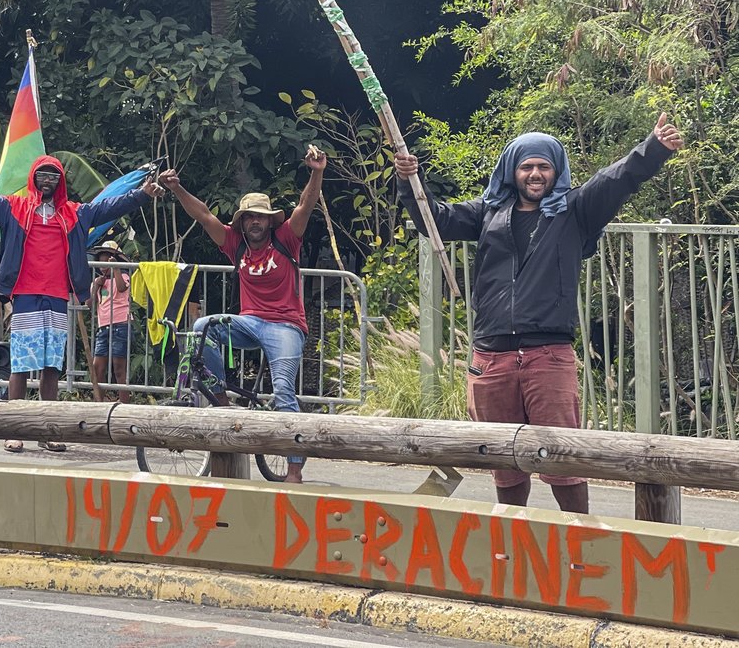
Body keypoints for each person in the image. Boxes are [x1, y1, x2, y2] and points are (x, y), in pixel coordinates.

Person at [394, 115, 683, 513]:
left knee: (562, 459)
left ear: (557, 170)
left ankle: (579, 545)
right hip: (490, 357)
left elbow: (616, 179)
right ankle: (515, 543)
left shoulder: (576, 210)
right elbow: (435, 220)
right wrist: (410, 182)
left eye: (544, 166)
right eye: (526, 166)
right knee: (505, 464)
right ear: (512, 171)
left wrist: (653, 147)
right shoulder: (487, 213)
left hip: (548, 355)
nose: (535, 174)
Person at [0, 156, 159, 453]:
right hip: (26, 295)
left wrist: (142, 194)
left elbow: (109, 207)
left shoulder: (73, 213)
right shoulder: (14, 208)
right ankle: (14, 429)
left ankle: (48, 430)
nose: (47, 180)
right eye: (42, 174)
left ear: (60, 181)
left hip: (56, 296)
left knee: (51, 366)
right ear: (33, 177)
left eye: (53, 176)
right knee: (20, 364)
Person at [160, 145, 328, 484]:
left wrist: (316, 171)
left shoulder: (286, 239)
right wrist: (176, 188)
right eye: (249, 216)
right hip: (249, 322)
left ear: (269, 220)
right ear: (243, 221)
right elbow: (203, 215)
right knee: (202, 326)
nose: (255, 221)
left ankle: (294, 468)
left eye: (260, 216)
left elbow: (305, 207)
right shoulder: (234, 242)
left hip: (285, 325)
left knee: (282, 390)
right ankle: (221, 400)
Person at [89, 240, 132, 403]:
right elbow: (89, 303)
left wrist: (116, 269)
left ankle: (124, 403)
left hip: (121, 325)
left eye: (107, 260)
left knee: (119, 368)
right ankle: (98, 401)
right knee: (97, 366)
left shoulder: (124, 276)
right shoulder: (97, 282)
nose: (103, 265)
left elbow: (121, 288)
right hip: (103, 327)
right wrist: (95, 287)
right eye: (100, 261)